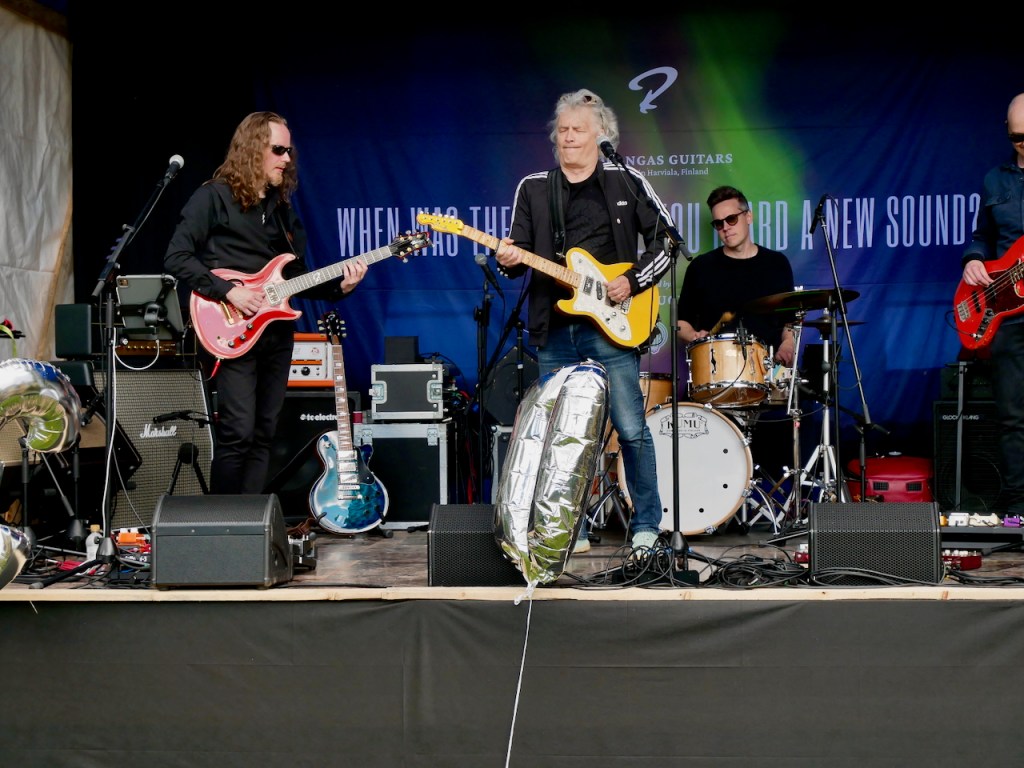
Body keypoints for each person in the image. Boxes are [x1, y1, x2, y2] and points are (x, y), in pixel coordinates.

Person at [494, 88, 676, 554]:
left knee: (631, 428)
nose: (568, 137)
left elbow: (667, 243)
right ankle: (567, 531)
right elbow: (516, 256)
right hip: (555, 327)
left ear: (601, 136)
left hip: (613, 326)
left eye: (578, 129)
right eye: (562, 130)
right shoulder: (534, 187)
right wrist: (507, 259)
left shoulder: (626, 181)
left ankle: (646, 525)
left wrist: (632, 281)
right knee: (561, 435)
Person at [164, 111, 367, 495]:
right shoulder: (213, 197)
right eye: (278, 150)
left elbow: (296, 279)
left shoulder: (283, 213)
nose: (286, 159)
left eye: (288, 151)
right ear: (252, 149)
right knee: (237, 431)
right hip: (231, 327)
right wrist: (230, 291)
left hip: (276, 332)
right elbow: (177, 257)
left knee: (264, 433)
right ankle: (223, 521)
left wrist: (341, 287)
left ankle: (251, 520)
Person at [676, 185, 797, 490]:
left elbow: (791, 319)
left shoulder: (776, 264)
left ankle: (778, 499)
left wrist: (788, 342)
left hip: (767, 377)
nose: (725, 228)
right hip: (716, 380)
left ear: (748, 217)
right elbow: (680, 324)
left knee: (788, 432)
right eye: (718, 223)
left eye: (731, 219)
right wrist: (695, 335)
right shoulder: (701, 267)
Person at [961, 92, 1024, 517]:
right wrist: (973, 260)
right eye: (1019, 137)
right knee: (1013, 416)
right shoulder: (995, 180)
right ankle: (1020, 508)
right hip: (1006, 311)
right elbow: (982, 236)